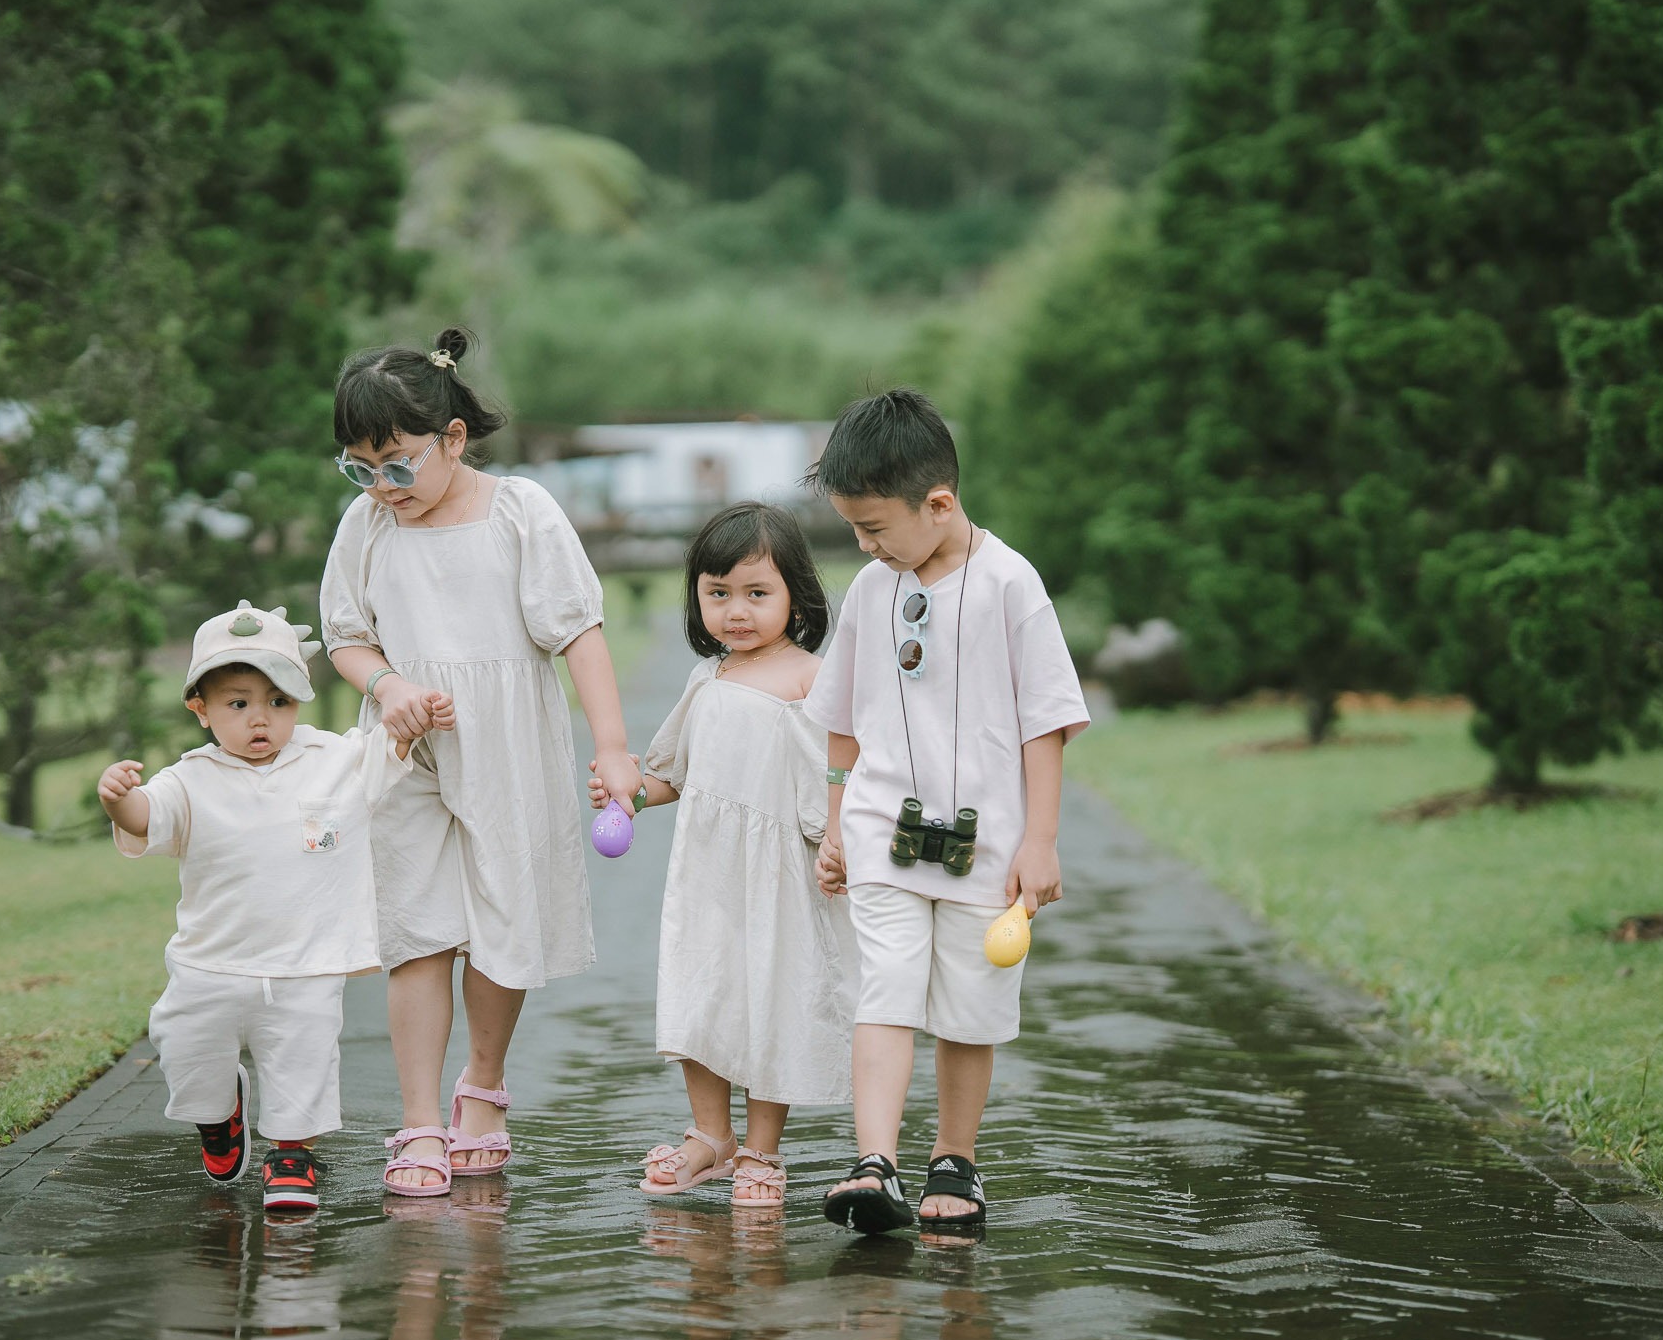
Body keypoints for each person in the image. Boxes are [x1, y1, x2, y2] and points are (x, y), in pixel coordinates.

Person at [319, 327, 641, 1199]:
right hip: (408, 748)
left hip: (508, 745)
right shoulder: (368, 525)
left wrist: (611, 746)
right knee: (417, 927)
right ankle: (420, 1116)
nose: (382, 488)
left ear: (452, 439)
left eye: (395, 465)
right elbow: (346, 635)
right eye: (360, 469)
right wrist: (387, 686)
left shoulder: (519, 511)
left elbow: (577, 629)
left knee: (504, 915)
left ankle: (483, 1085)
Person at [805, 388, 1090, 1234]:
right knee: (885, 988)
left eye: (876, 527)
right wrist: (833, 820)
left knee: (971, 1002)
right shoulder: (869, 588)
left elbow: (1047, 719)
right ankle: (874, 1163)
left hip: (987, 847)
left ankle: (954, 1158)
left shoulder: (1011, 583)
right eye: (854, 529)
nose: (864, 544)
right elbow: (841, 722)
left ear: (939, 502)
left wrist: (1040, 840)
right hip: (883, 831)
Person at [99, 600, 444, 1213]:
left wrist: (413, 716)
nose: (261, 719)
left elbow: (388, 749)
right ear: (199, 709)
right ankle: (217, 1112)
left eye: (278, 702)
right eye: (238, 703)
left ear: (299, 702)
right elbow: (144, 821)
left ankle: (291, 1153)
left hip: (306, 963)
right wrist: (118, 800)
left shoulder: (332, 761)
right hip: (210, 964)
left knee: (303, 1057)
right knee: (186, 1051)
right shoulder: (189, 780)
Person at [590, 502, 853, 1208]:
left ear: (796, 593)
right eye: (718, 592)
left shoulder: (811, 679)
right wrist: (630, 793)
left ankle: (762, 1147)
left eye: (756, 592)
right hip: (706, 875)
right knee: (702, 993)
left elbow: (841, 775)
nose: (736, 611)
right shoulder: (706, 678)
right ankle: (711, 1134)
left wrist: (838, 838)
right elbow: (673, 771)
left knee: (771, 998)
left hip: (780, 878)